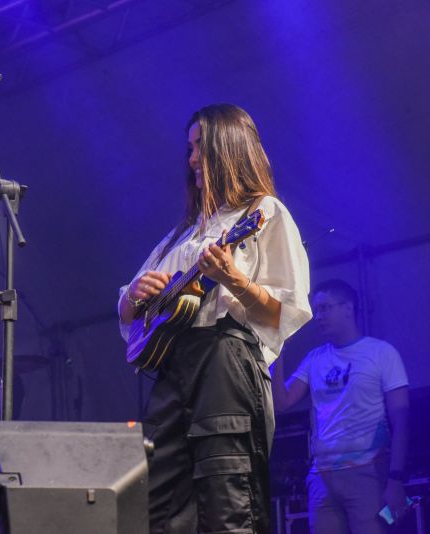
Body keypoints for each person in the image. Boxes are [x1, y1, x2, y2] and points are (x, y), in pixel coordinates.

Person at [118, 103, 312, 533]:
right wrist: (134, 295)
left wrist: (233, 279)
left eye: (199, 146)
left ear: (228, 147)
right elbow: (128, 313)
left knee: (228, 501)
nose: (190, 159)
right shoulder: (184, 233)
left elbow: (287, 311)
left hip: (227, 364)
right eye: (189, 148)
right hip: (174, 374)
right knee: (160, 505)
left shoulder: (265, 213)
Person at [272, 279, 409, 534]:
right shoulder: (314, 359)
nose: (318, 317)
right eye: (316, 310)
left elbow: (401, 421)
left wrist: (396, 479)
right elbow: (282, 402)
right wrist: (276, 350)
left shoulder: (381, 353)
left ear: (348, 308)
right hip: (322, 476)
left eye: (325, 308)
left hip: (369, 470)